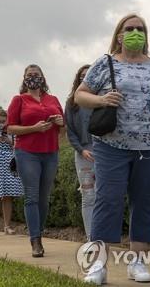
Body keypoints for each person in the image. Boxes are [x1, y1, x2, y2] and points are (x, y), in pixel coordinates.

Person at [75, 14, 150, 284]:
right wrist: (101, 98)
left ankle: (137, 262)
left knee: (145, 201)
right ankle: (98, 265)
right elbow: (79, 95)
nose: (135, 33)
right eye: (129, 29)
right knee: (108, 200)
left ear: (146, 35)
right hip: (112, 145)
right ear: (119, 35)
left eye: (140, 29)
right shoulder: (105, 62)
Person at [7, 64, 64, 257]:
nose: (33, 77)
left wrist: (59, 122)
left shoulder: (53, 99)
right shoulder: (19, 100)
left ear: (43, 77)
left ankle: (38, 232)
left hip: (50, 152)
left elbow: (63, 126)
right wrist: (33, 128)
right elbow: (10, 128)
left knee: (43, 198)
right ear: (24, 79)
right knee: (31, 196)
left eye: (36, 74)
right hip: (27, 152)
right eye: (29, 75)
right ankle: (35, 240)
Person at [65, 64, 96, 241]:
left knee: (103, 195)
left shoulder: (101, 99)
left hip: (103, 152)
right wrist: (81, 149)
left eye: (88, 75)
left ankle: (103, 236)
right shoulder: (71, 103)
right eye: (82, 76)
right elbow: (70, 132)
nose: (85, 78)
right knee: (88, 196)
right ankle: (91, 238)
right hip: (83, 154)